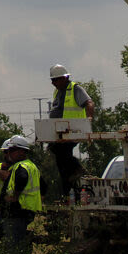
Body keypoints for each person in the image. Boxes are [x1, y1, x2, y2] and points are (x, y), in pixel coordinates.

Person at [0, 135, 42, 250]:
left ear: (21, 152)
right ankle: (22, 236)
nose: (8, 153)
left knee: (13, 248)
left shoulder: (22, 166)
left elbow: (22, 178)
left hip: (19, 212)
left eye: (12, 150)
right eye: (8, 151)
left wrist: (15, 195)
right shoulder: (22, 166)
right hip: (9, 212)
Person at [48, 64, 96, 199]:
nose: (53, 83)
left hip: (73, 131)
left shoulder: (75, 89)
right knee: (60, 160)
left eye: (55, 80)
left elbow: (89, 103)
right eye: (52, 80)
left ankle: (78, 170)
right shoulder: (58, 92)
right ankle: (69, 188)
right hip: (60, 132)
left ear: (64, 78)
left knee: (61, 151)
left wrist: (89, 118)